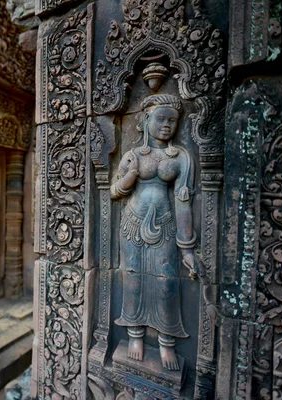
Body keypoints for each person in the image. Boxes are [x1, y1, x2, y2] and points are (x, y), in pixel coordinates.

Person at [110, 94, 197, 371]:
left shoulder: (181, 157)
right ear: (145, 119)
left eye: (173, 120)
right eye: (160, 119)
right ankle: (135, 335)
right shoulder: (134, 155)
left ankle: (166, 342)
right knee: (132, 278)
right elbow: (114, 191)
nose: (167, 125)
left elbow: (183, 201)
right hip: (133, 222)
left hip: (166, 224)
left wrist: (187, 249)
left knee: (167, 282)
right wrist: (130, 176)